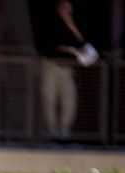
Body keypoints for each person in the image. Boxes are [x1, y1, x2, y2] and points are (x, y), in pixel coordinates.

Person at [29, 0, 98, 140]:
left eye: (69, 8)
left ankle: (64, 132)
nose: (67, 10)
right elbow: (45, 43)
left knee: (70, 99)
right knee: (49, 98)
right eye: (64, 7)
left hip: (67, 67)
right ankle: (51, 133)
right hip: (50, 64)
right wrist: (67, 49)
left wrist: (71, 24)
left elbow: (83, 44)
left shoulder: (74, 22)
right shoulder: (49, 20)